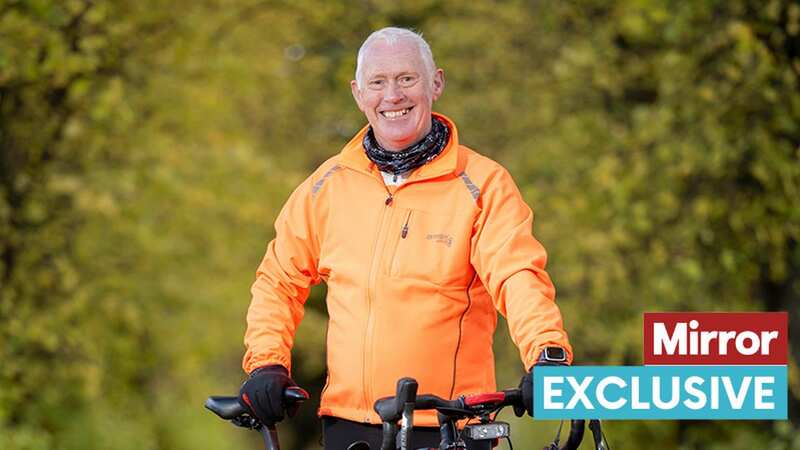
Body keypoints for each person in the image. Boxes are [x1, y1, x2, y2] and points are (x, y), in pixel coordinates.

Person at [238, 27, 573, 449]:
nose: (392, 96)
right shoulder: (327, 186)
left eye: (407, 79)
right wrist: (267, 362)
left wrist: (547, 354)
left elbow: (517, 276)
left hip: (451, 424)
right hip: (349, 425)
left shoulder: (483, 184)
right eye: (378, 83)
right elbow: (278, 281)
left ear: (436, 83)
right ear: (359, 94)